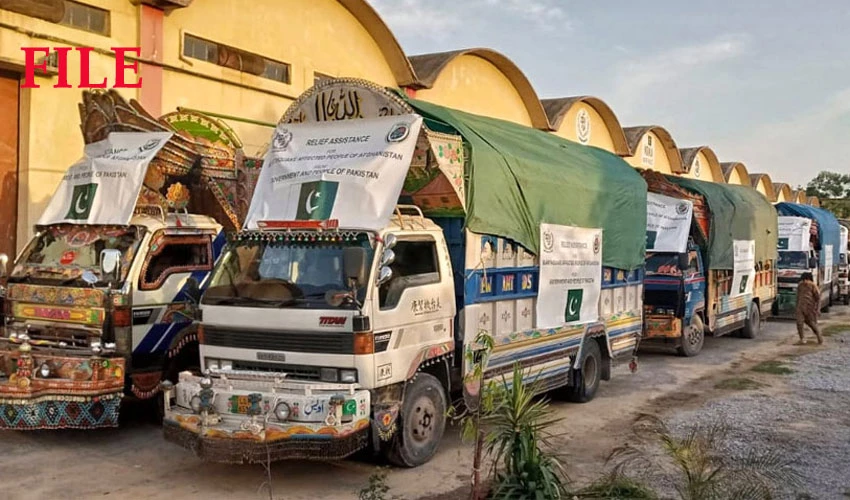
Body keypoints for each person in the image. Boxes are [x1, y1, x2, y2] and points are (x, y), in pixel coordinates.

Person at [795, 272, 823, 345]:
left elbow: (818, 298)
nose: (805, 281)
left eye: (806, 279)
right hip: (800, 307)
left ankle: (819, 337)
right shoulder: (800, 285)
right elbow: (798, 297)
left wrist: (818, 309)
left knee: (811, 323)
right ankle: (802, 339)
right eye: (803, 280)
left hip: (810, 308)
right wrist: (797, 306)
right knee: (799, 323)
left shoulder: (813, 286)